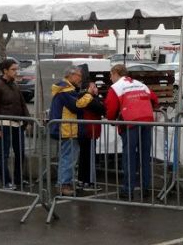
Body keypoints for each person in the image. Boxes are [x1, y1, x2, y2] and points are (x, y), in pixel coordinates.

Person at [105, 64, 159, 200]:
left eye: (111, 75)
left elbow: (110, 108)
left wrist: (112, 120)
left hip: (129, 122)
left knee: (129, 157)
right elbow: (154, 99)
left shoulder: (116, 87)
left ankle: (128, 190)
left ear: (116, 73)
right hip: (146, 121)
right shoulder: (140, 84)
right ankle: (145, 188)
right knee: (145, 156)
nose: (110, 78)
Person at [49, 66, 97, 196]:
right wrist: (89, 94)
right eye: (79, 76)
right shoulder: (66, 90)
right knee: (68, 159)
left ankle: (63, 183)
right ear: (71, 75)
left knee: (67, 157)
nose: (80, 79)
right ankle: (64, 185)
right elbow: (77, 106)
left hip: (67, 129)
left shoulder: (65, 89)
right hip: (67, 129)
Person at [0, 59, 31, 190]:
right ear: (5, 71)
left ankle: (18, 179)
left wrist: (28, 120)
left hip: (17, 125)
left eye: (16, 69)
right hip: (4, 125)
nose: (16, 72)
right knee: (4, 154)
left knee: (20, 153)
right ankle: (6, 181)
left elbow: (22, 103)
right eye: (13, 69)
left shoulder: (14, 85)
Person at [76, 65, 106, 193]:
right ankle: (88, 182)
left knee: (84, 156)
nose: (96, 89)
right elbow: (102, 109)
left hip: (85, 131)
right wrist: (99, 99)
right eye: (94, 87)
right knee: (89, 158)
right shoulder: (90, 99)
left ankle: (82, 180)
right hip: (89, 131)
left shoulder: (82, 96)